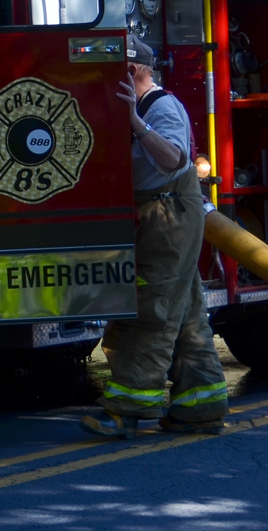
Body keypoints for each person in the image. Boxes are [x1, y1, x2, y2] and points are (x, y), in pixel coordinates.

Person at [83, 42, 229, 438]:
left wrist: (134, 120)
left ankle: (128, 408)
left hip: (168, 217)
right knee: (186, 313)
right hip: (160, 217)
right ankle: (200, 406)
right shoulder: (132, 104)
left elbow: (174, 160)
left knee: (152, 310)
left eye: (122, 68)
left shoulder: (160, 107)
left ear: (135, 70)